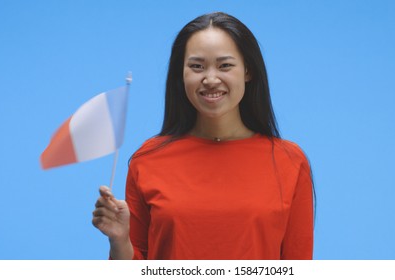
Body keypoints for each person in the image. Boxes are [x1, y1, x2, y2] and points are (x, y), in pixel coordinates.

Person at [92, 12, 314, 260]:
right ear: (181, 73)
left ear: (248, 71)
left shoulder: (289, 161)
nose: (210, 79)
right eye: (197, 66)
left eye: (225, 65)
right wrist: (119, 240)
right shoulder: (147, 159)